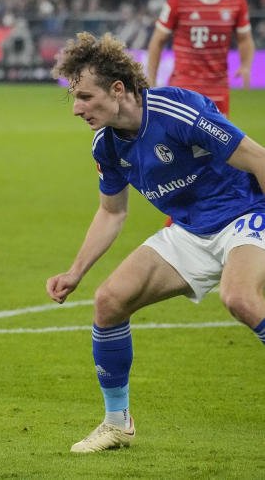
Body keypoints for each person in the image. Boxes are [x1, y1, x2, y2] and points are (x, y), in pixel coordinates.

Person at [47, 32, 265, 453]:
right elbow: (112, 212)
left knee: (239, 297)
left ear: (117, 89)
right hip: (191, 231)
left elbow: (257, 158)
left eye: (86, 97)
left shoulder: (176, 111)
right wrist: (75, 272)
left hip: (245, 214)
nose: (76, 108)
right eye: (74, 98)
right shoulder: (106, 145)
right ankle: (117, 424)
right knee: (109, 301)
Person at [146, 0, 254, 117]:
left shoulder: (236, 1)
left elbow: (245, 39)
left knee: (217, 143)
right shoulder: (179, 0)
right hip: (184, 88)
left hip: (218, 89)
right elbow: (157, 41)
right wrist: (151, 80)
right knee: (182, 142)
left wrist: (246, 66)